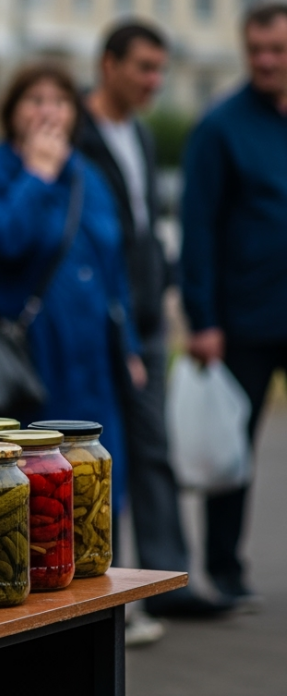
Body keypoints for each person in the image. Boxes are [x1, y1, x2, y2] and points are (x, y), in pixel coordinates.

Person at [77, 22, 231, 620]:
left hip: (145, 313)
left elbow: (141, 224)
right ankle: (102, 587)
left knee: (155, 447)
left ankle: (166, 580)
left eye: (160, 70)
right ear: (108, 64)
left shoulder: (137, 134)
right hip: (100, 320)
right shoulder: (78, 134)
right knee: (99, 452)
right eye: (144, 67)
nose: (155, 82)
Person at [0, 64, 145, 513]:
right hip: (33, 359)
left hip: (96, 359)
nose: (49, 112)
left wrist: (130, 347)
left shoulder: (88, 176)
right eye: (36, 100)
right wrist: (36, 175)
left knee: (99, 483)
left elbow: (113, 266)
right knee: (39, 491)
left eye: (60, 101)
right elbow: (3, 239)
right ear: (11, 111)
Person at [181, 2, 287, 612]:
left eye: (278, 49)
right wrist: (203, 320)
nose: (266, 61)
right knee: (232, 452)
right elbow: (199, 229)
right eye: (257, 50)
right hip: (242, 321)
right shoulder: (220, 127)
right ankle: (225, 567)